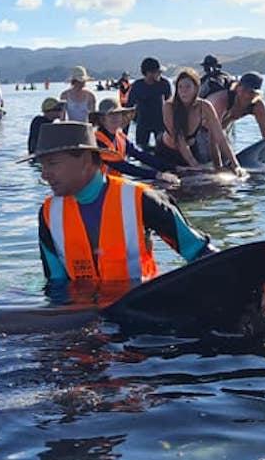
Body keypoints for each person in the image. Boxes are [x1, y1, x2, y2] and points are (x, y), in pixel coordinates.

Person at [24, 121, 215, 295]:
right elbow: (56, 283)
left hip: (143, 312)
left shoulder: (142, 198)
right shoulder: (49, 213)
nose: (45, 175)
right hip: (84, 318)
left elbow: (200, 253)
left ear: (85, 160)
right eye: (42, 166)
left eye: (52, 164)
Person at [160, 68, 242, 172]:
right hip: (168, 152)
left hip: (191, 150)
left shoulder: (205, 106)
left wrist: (236, 165)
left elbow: (220, 137)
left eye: (188, 87)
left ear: (196, 88)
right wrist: (195, 165)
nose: (183, 91)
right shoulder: (169, 106)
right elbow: (179, 139)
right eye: (180, 87)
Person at [89, 97, 178, 184]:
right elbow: (124, 167)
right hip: (98, 186)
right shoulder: (97, 141)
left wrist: (173, 168)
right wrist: (157, 175)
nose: (115, 118)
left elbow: (140, 155)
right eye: (110, 115)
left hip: (114, 182)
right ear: (102, 119)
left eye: (118, 114)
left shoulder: (120, 136)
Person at [125, 57, 172, 149]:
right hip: (143, 123)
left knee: (162, 149)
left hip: (160, 123)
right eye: (157, 72)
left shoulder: (164, 83)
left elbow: (170, 104)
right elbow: (128, 108)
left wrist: (171, 127)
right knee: (142, 149)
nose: (160, 74)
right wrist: (124, 134)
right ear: (148, 73)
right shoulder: (138, 86)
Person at [220, 71, 265, 139]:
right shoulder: (223, 99)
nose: (247, 95)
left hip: (224, 125)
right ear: (237, 87)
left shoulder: (257, 105)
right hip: (206, 124)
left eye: (252, 92)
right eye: (244, 90)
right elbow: (212, 130)